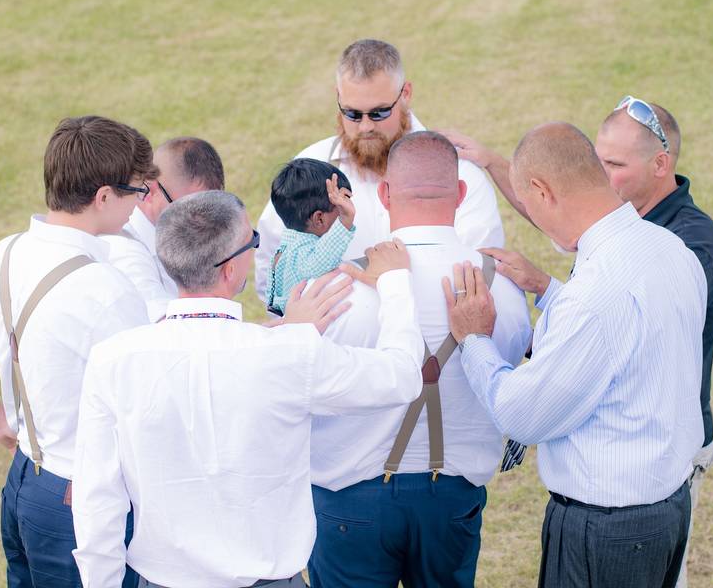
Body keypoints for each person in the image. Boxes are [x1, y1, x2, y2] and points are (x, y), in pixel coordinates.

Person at [71, 190, 427, 588]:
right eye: (252, 242)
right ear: (229, 270)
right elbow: (401, 375)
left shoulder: (113, 360)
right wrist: (395, 281)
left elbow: (97, 502)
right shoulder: (290, 354)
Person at [445, 98, 713, 585]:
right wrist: (550, 291)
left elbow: (523, 415)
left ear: (542, 191)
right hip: (667, 508)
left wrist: (474, 338)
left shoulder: (596, 295)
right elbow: (633, 338)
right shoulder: (670, 248)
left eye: (530, 203)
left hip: (605, 529)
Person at [0, 116, 158, 587]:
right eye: (137, 192)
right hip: (84, 501)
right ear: (104, 196)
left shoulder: (4, 253)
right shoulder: (107, 290)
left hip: (24, 483)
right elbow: (148, 408)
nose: (140, 204)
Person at [306, 132, 531, 587]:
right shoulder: (502, 285)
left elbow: (307, 388)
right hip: (450, 498)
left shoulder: (337, 286)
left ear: (385, 195)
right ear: (462, 195)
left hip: (351, 498)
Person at [255, 39, 504, 302]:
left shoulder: (458, 172)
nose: (364, 127)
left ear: (405, 94)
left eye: (379, 113)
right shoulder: (308, 165)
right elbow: (274, 265)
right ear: (337, 96)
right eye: (352, 114)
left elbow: (481, 272)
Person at [105, 136, 225, 322]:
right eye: (189, 210)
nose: (202, 223)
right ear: (151, 191)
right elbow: (167, 326)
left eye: (209, 209)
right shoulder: (126, 253)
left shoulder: (182, 233)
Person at [266, 159, 356, 315]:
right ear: (319, 218)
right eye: (340, 209)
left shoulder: (285, 251)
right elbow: (321, 261)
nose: (346, 209)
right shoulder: (299, 254)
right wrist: (345, 221)